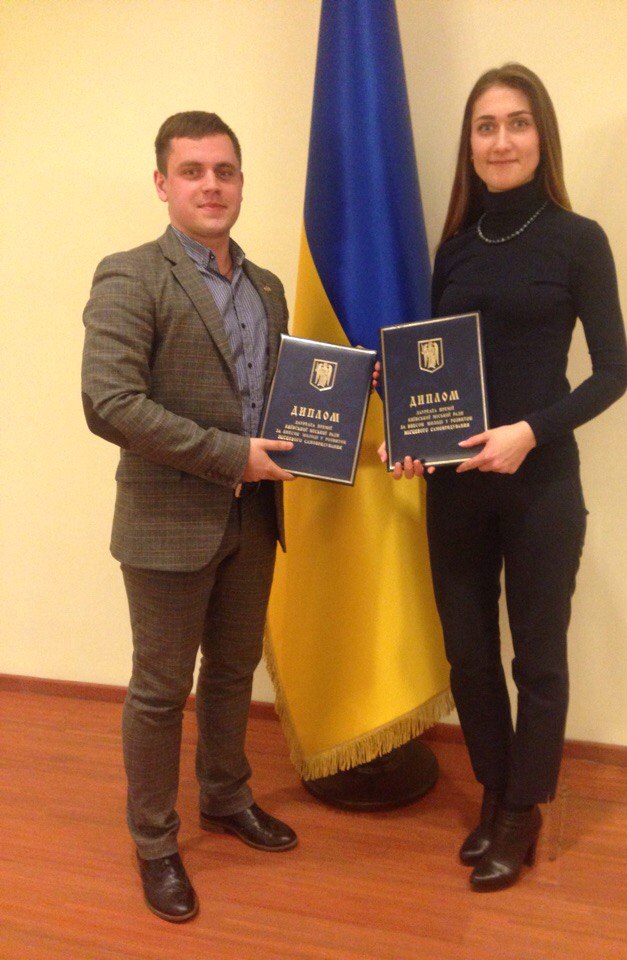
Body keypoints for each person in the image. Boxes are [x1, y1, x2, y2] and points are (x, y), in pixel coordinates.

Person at [380, 64, 627, 891]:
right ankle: (494, 790)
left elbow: (613, 373)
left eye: (516, 123)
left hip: (541, 483)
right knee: (469, 655)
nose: (501, 140)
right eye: (485, 126)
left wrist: (529, 432)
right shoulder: (454, 248)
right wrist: (410, 435)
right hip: (455, 488)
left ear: (541, 136)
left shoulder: (579, 239)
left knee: (538, 659)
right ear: (470, 144)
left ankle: (524, 808)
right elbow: (435, 371)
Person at [82, 111, 299, 923]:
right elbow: (110, 402)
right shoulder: (131, 275)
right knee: (161, 690)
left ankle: (225, 795)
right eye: (194, 171)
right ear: (162, 183)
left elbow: (280, 399)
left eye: (225, 171)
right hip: (168, 524)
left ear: (241, 182)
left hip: (256, 520)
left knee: (234, 672)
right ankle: (153, 841)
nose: (212, 185)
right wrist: (230, 456)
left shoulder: (267, 287)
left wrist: (349, 394)